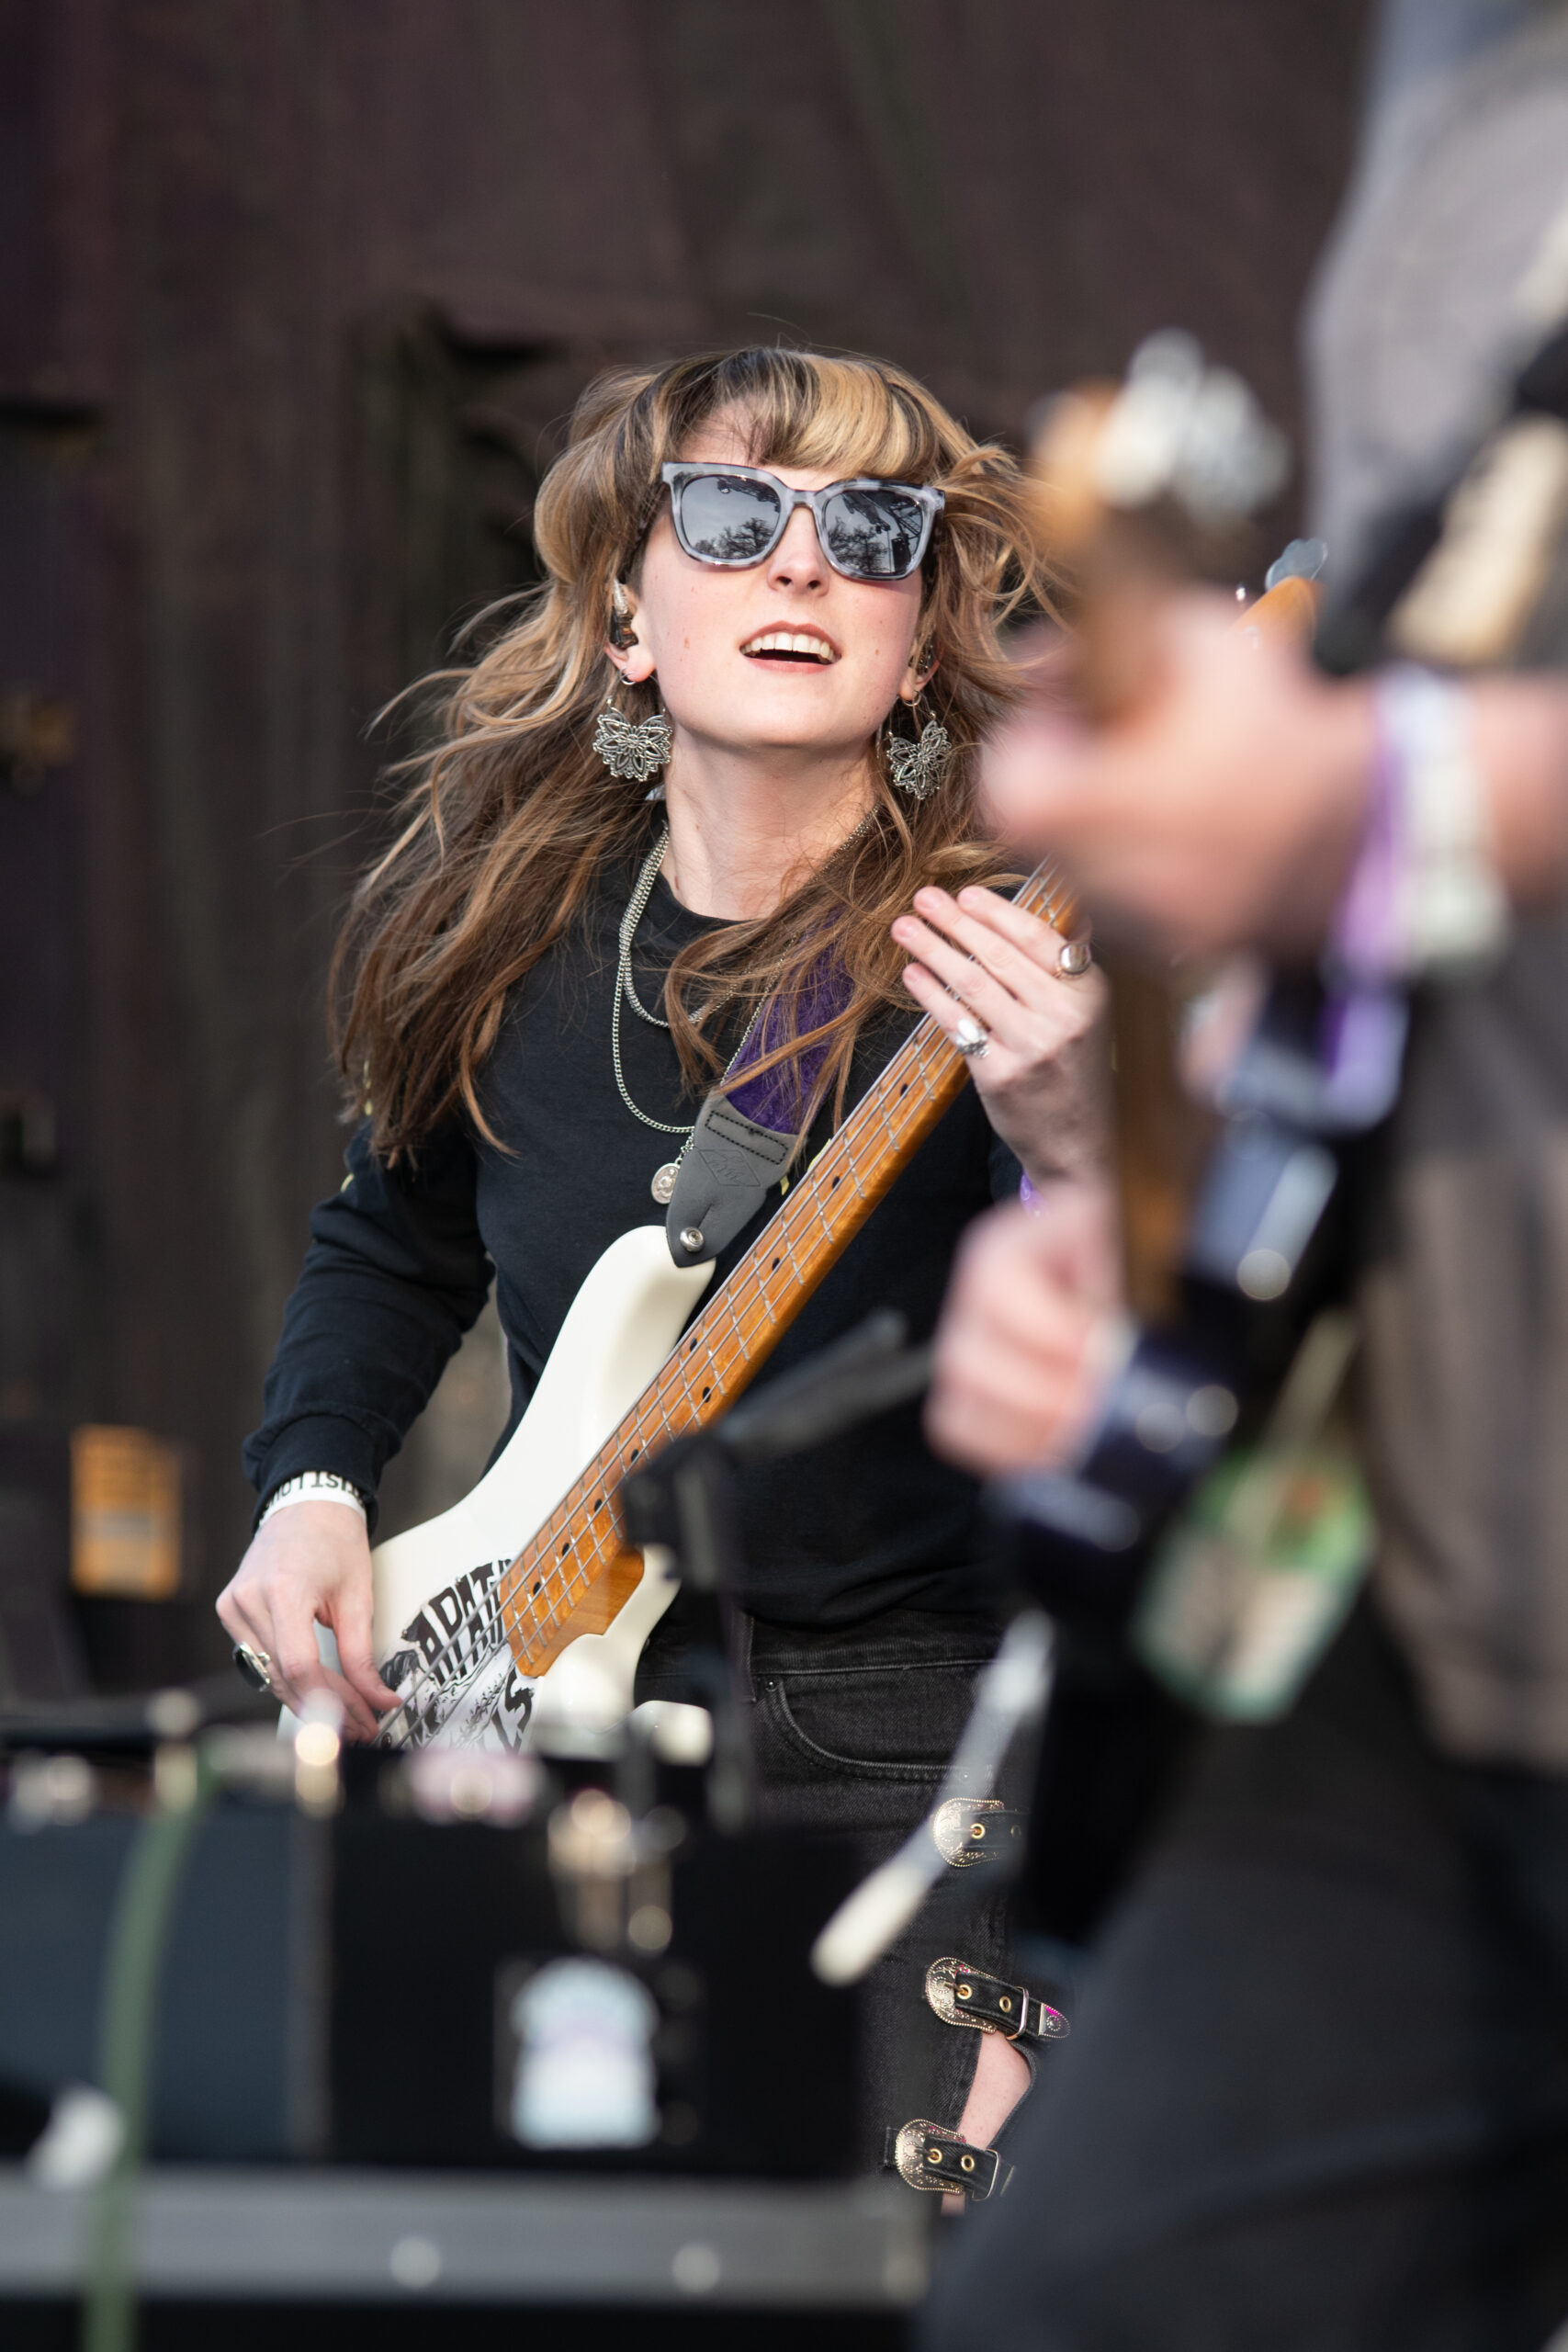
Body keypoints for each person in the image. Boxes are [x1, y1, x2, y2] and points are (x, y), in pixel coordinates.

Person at [215, 346, 1111, 2172]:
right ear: (626, 606)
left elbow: (1175, 1424)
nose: (800, 563)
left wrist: (1083, 1152)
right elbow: (388, 1241)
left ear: (918, 623)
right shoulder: (502, 934)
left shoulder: (1011, 959)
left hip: (900, 1745)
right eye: (731, 513)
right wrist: (310, 1486)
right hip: (545, 1722)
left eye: (866, 528)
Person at [919, 3, 1568, 2343]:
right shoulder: (1452, 76)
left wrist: (1400, 806)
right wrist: (1168, 1227)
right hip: (1433, 1597)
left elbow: (1432, 793)